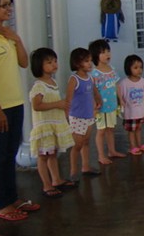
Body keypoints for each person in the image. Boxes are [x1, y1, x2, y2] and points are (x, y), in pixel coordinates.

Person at [0, 0, 40, 221]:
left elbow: (23, 63)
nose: (9, 9)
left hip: (15, 103)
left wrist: (17, 39)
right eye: (4, 5)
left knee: (10, 153)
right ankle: (2, 205)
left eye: (9, 4)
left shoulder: (6, 36)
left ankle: (12, 198)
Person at [29, 48, 76, 198]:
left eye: (55, 61)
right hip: (45, 126)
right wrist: (58, 104)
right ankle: (46, 185)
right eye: (49, 62)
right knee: (43, 156)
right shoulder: (39, 86)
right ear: (39, 65)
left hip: (54, 124)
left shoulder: (53, 82)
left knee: (53, 153)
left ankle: (56, 180)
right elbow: (37, 105)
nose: (54, 64)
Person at [66, 47, 102, 181]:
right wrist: (66, 117)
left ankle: (86, 166)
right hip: (77, 117)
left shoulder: (90, 78)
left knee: (86, 142)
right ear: (77, 63)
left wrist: (98, 100)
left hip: (88, 116)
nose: (90, 63)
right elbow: (68, 99)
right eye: (86, 61)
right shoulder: (74, 79)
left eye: (90, 60)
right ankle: (73, 171)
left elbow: (94, 90)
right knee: (77, 145)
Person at [89, 39, 125, 164]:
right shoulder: (94, 73)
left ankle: (112, 151)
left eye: (108, 51)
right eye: (103, 52)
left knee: (111, 129)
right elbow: (92, 92)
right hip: (101, 108)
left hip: (112, 106)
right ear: (95, 55)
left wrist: (121, 100)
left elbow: (117, 86)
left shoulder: (112, 69)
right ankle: (101, 156)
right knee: (101, 131)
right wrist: (94, 106)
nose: (107, 54)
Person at [117, 55, 144, 155]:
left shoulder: (143, 81)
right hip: (130, 113)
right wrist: (121, 102)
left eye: (141, 67)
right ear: (128, 68)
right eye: (135, 67)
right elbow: (119, 93)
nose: (139, 70)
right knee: (131, 131)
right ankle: (132, 146)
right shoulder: (124, 83)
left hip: (140, 112)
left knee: (139, 128)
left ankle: (139, 144)